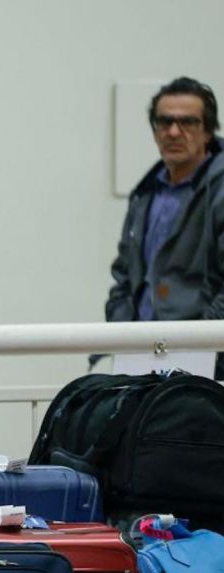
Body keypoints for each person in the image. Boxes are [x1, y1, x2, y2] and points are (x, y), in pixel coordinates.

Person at [107, 77, 224, 376]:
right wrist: (123, 334)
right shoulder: (146, 193)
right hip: (142, 354)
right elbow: (124, 274)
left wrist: (202, 343)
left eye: (187, 122)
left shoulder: (219, 191)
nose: (174, 132)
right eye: (164, 122)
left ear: (208, 131)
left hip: (204, 360)